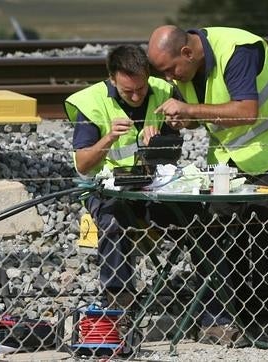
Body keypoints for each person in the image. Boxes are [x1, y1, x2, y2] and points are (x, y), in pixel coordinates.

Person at [148, 26, 268, 344]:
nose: (170, 79)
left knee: (266, 235)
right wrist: (185, 119)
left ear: (187, 53)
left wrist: (190, 110)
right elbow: (202, 108)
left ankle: (264, 320)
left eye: (170, 70)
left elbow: (246, 112)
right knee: (219, 233)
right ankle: (227, 318)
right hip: (227, 156)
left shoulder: (238, 51)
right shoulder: (188, 68)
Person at [63, 44, 182, 309]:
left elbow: (174, 149)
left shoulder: (163, 91)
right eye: (129, 91)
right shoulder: (91, 103)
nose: (138, 96)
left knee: (196, 217)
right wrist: (109, 138)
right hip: (104, 190)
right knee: (113, 219)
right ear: (112, 79)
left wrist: (165, 136)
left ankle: (210, 304)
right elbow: (83, 165)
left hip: (153, 185)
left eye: (141, 88)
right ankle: (119, 301)